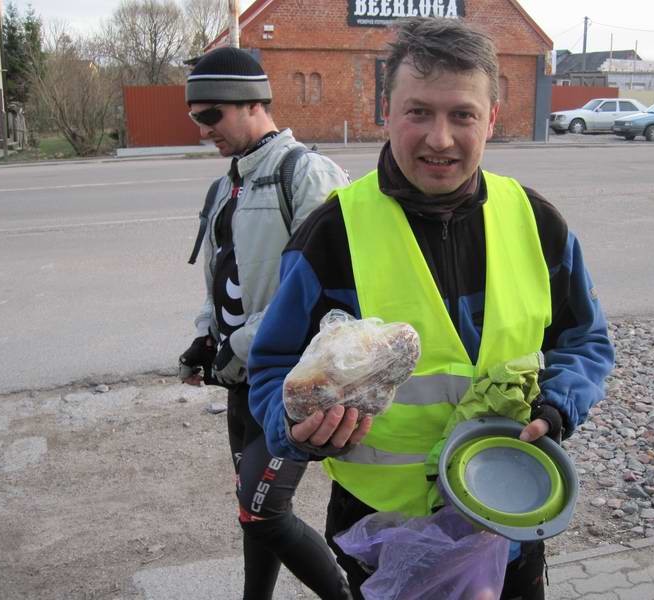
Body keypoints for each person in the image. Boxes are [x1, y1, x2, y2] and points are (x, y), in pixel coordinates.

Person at [247, 18, 615, 599]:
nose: (440, 138)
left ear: (491, 118)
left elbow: (584, 341)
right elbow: (271, 371)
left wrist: (559, 402)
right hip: (383, 530)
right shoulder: (332, 233)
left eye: (462, 114)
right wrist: (298, 430)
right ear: (385, 112)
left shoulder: (537, 222)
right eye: (418, 112)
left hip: (509, 516)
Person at [177, 46, 352, 600]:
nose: (203, 130)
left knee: (266, 507)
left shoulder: (305, 173)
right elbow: (221, 272)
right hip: (239, 382)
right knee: (250, 506)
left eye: (211, 116)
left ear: (252, 103)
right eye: (195, 117)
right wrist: (206, 337)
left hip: (285, 381)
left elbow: (323, 293)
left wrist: (245, 344)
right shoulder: (228, 183)